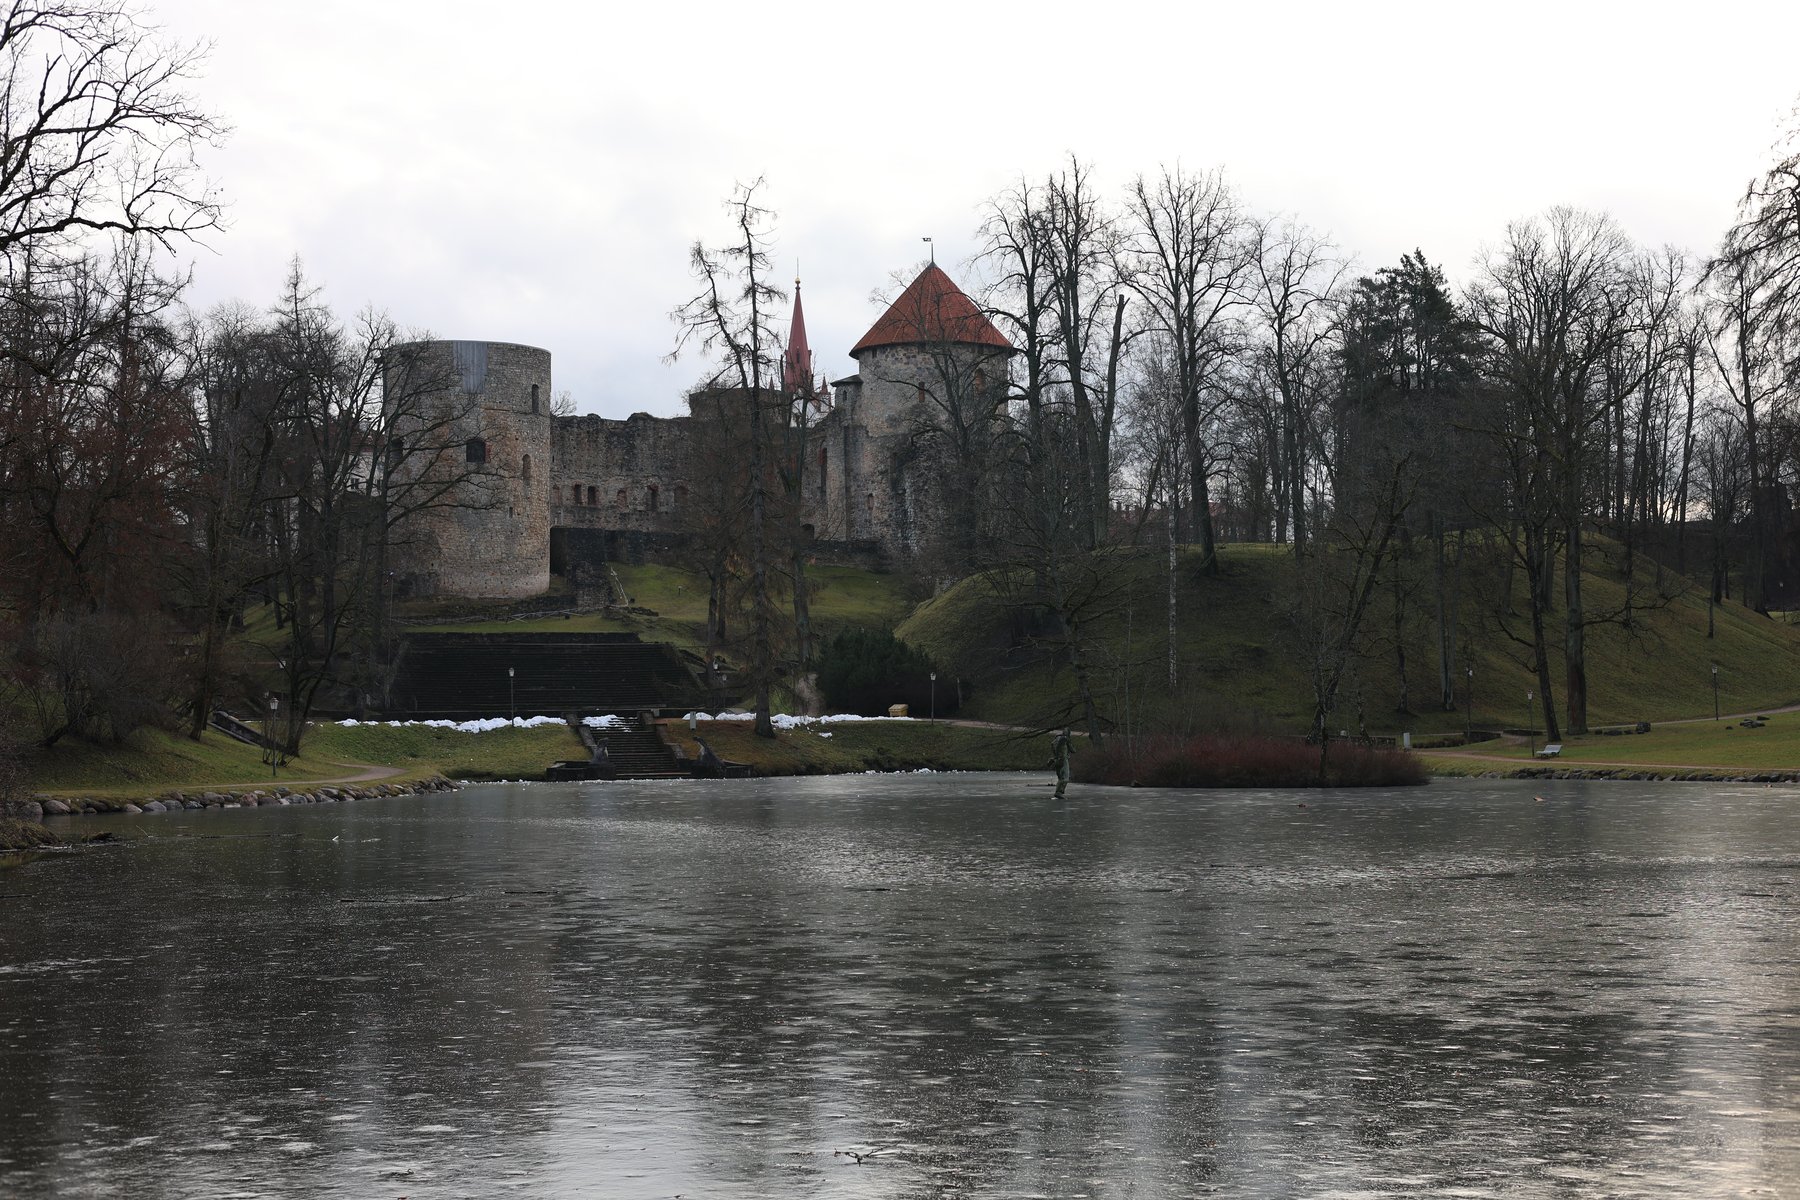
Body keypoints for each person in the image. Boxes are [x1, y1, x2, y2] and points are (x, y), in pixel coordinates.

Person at [1049, 727, 1073, 798]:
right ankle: (1059, 792)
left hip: (1057, 760)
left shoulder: (1054, 742)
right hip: (1063, 760)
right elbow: (1073, 750)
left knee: (1060, 778)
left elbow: (1054, 750)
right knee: (1065, 778)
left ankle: (1058, 792)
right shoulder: (1064, 739)